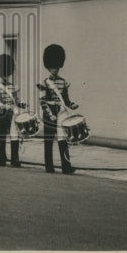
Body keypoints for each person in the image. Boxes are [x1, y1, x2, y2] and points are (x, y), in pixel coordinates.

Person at [39, 43, 78, 174]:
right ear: (48, 68)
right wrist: (49, 114)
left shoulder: (63, 82)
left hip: (61, 111)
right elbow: (42, 101)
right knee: (49, 139)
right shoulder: (45, 83)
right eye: (52, 67)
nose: (54, 69)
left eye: (56, 67)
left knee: (63, 139)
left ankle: (66, 166)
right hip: (49, 111)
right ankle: (49, 166)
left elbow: (66, 100)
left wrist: (72, 105)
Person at [0, 53, 25, 168]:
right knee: (1, 136)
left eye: (7, 74)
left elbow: (16, 100)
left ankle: (14, 158)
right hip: (2, 114)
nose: (6, 76)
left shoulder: (14, 87)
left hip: (12, 114)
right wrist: (1, 105)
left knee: (14, 136)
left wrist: (22, 104)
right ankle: (2, 157)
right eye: (4, 74)